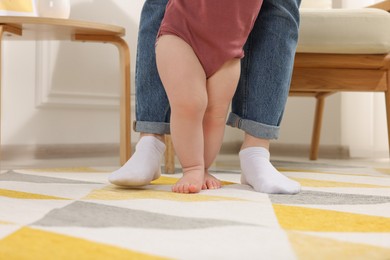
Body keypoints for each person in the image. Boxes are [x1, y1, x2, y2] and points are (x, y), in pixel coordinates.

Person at [109, 0, 302, 195]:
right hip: (182, 33)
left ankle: (219, 164)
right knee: (189, 104)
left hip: (230, 46)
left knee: (215, 114)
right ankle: (188, 166)